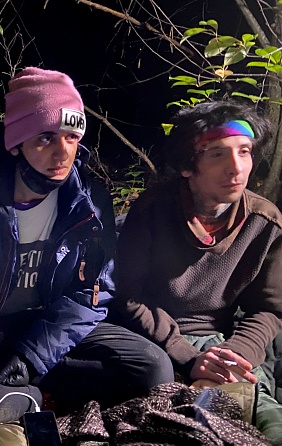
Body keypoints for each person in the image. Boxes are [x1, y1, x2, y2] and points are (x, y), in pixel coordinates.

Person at [0, 67, 174, 431]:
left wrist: (32, 356)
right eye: (45, 138)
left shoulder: (91, 200)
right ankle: (33, 396)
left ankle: (21, 387)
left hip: (53, 322)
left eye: (71, 136)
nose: (62, 152)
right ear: (16, 142)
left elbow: (92, 293)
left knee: (153, 368)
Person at [111, 100, 282, 443]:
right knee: (186, 424)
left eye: (245, 151)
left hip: (226, 342)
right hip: (159, 339)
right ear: (189, 166)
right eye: (217, 154)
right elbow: (126, 297)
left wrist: (237, 353)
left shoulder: (265, 222)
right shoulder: (153, 210)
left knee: (267, 419)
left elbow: (269, 307)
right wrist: (189, 357)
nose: (236, 168)